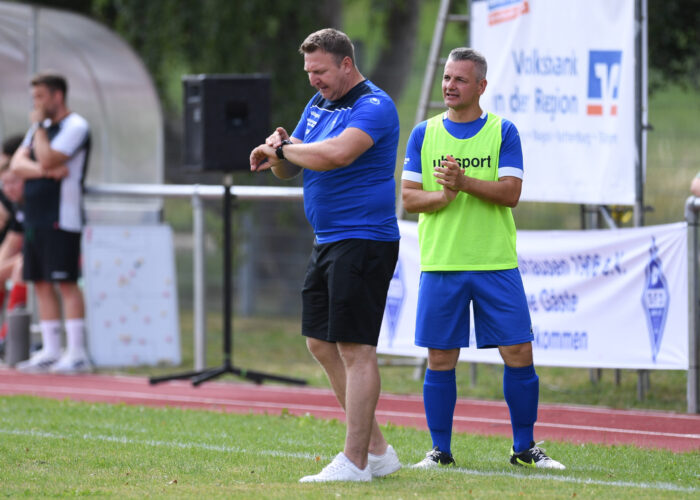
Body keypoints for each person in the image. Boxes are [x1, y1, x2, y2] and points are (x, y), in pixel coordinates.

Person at [401, 48, 565, 470]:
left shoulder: (503, 131)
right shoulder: (423, 133)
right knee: (440, 359)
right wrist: (443, 194)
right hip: (442, 263)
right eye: (446, 78)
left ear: (481, 86)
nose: (449, 86)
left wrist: (463, 181)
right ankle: (440, 452)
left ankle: (524, 449)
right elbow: (408, 200)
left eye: (459, 79)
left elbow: (511, 193)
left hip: (495, 262)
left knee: (518, 352)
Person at [249, 28, 402, 482]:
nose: (312, 79)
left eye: (319, 71)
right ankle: (378, 452)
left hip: (364, 240)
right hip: (329, 240)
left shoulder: (374, 105)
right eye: (308, 71)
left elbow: (335, 155)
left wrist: (287, 148)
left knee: (356, 348)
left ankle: (355, 462)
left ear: (346, 65)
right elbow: (290, 167)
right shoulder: (317, 105)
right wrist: (276, 153)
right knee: (320, 343)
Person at [10, 72, 91, 374]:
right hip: (35, 216)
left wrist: (42, 136)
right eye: (34, 98)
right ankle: (51, 350)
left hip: (62, 217)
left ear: (57, 96)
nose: (37, 104)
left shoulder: (75, 126)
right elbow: (18, 164)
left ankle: (77, 352)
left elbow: (48, 158)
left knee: (66, 282)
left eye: (41, 97)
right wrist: (45, 171)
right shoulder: (37, 128)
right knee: (41, 282)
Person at [0, 135, 27, 355]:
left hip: (44, 256)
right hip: (29, 255)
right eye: (4, 184)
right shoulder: (18, 206)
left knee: (21, 267)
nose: (8, 189)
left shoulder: (36, 200)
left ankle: (8, 337)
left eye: (13, 183)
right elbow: (11, 242)